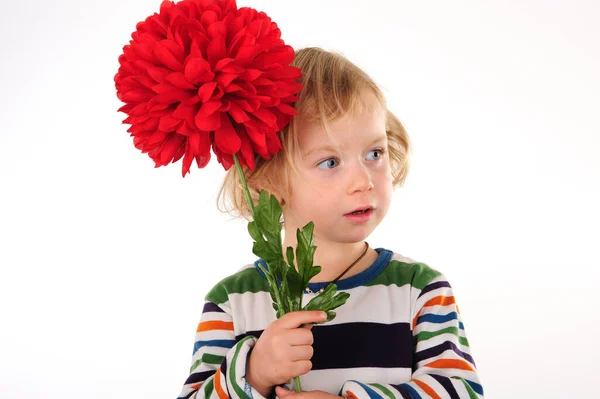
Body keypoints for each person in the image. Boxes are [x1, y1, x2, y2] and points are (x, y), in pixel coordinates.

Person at [177, 47, 483, 399]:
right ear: (268, 181)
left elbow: (462, 391)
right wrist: (252, 373)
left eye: (374, 154)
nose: (364, 181)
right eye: (330, 162)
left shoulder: (421, 291)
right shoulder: (231, 302)